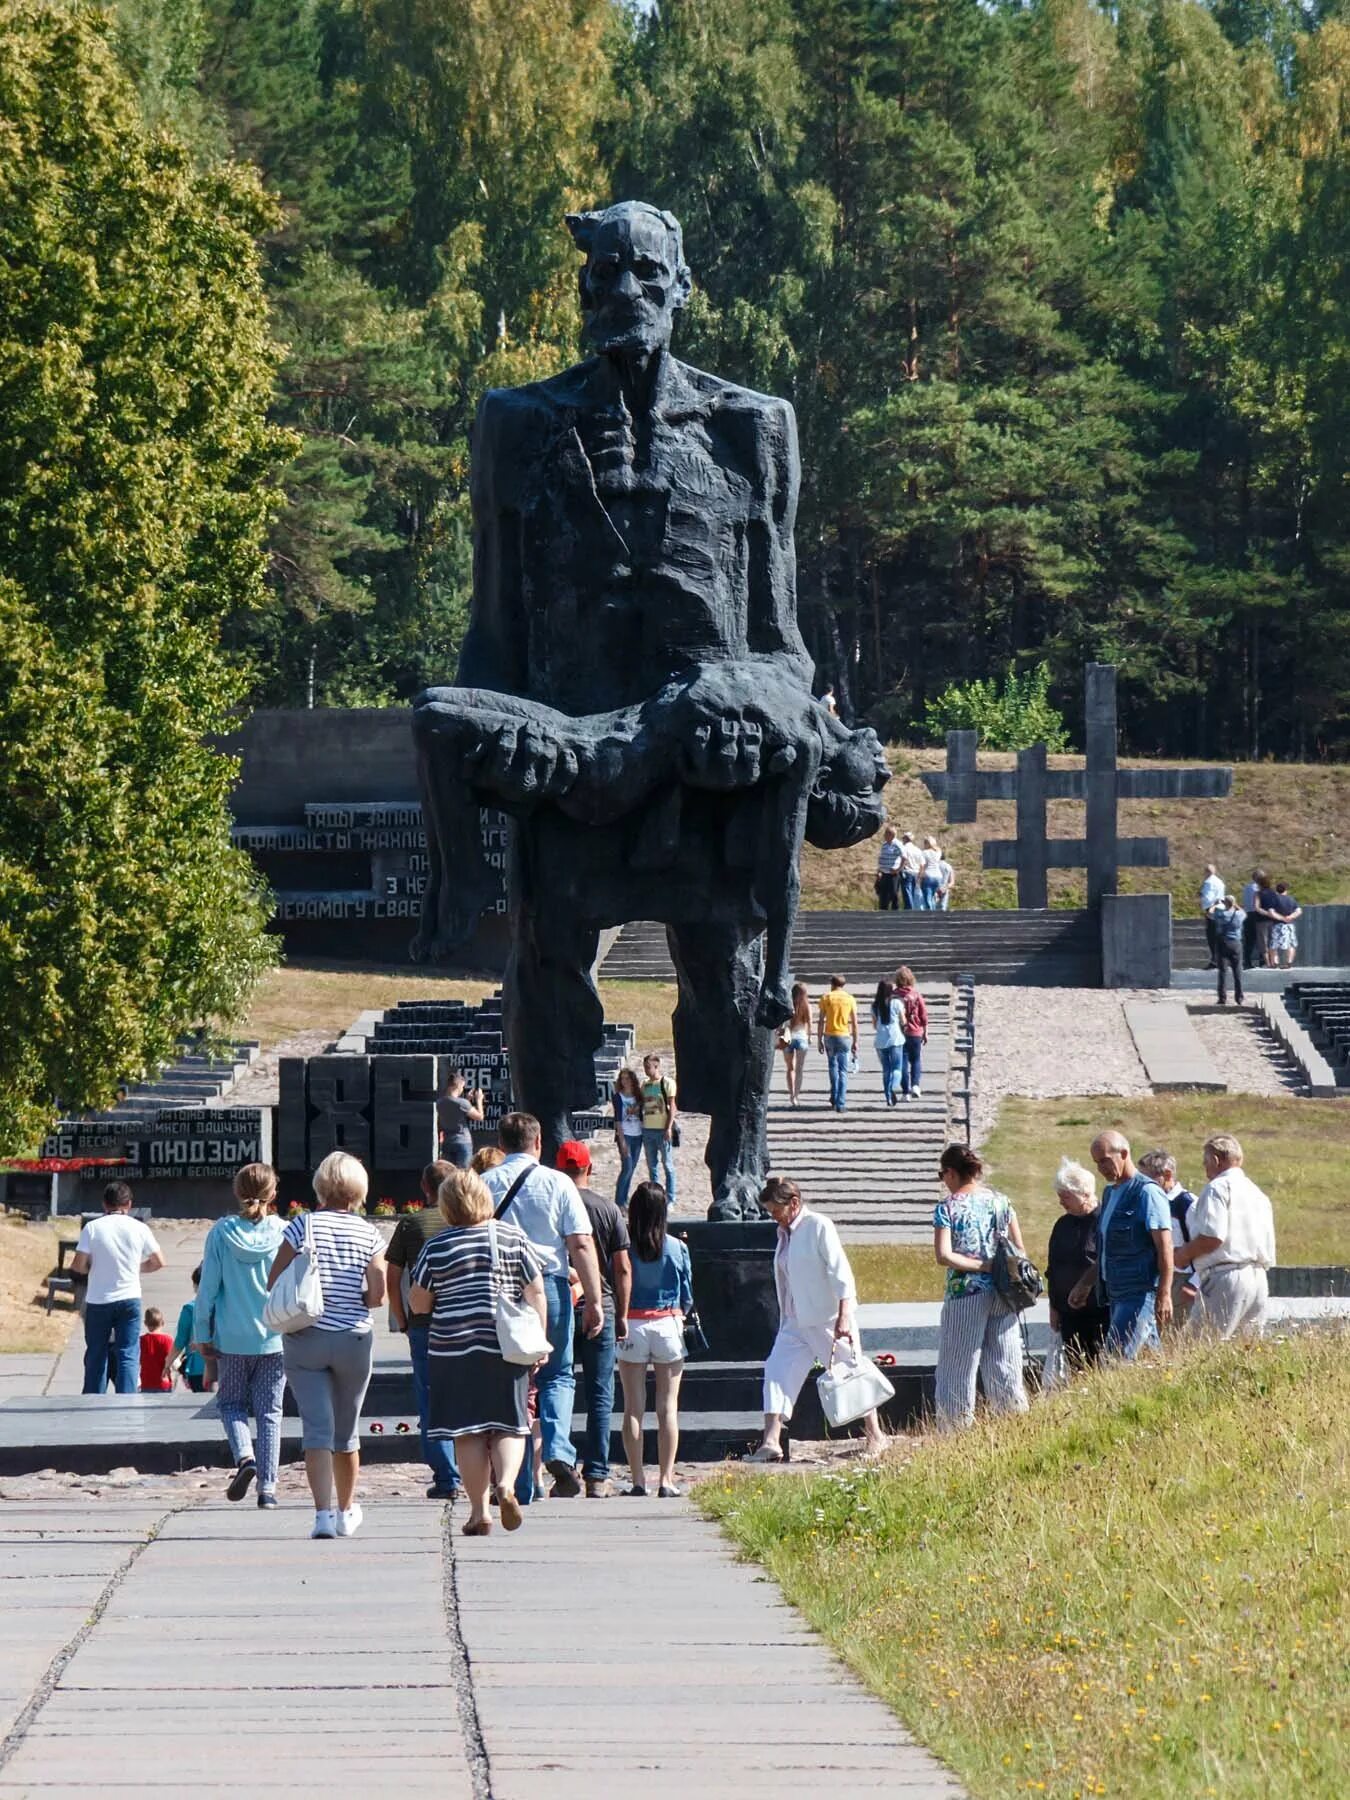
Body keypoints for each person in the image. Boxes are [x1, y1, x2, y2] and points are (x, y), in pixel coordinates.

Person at [408, 1168, 546, 1536]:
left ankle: (479, 1511)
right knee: (510, 1424)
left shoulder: (437, 1246)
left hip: (453, 1349)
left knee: (466, 1431)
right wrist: (540, 1339)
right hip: (506, 1345)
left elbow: (419, 1303)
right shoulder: (513, 1236)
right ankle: (506, 1486)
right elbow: (535, 1292)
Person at [478, 1112, 603, 1502]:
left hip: (496, 1285)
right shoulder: (558, 1183)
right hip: (549, 1284)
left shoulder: (482, 1183)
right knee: (557, 1374)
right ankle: (557, 1449)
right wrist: (595, 1299)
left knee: (505, 1377)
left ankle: (515, 1479)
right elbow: (580, 1243)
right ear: (538, 1143)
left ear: (501, 1145)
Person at [267, 1152, 386, 1540]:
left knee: (316, 1429)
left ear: (320, 1186)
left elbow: (275, 1279)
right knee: (347, 1432)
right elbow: (378, 1291)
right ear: (358, 1190)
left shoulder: (303, 1225)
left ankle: (320, 1516)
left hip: (306, 1335)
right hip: (353, 1338)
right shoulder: (369, 1233)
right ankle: (346, 1511)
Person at [749, 1176, 885, 1460]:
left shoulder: (818, 1226)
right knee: (777, 1371)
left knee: (851, 1372)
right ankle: (771, 1441)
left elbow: (841, 1273)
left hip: (827, 1317)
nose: (773, 1217)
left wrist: (845, 1315)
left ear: (794, 1203)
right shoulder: (784, 1233)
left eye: (776, 1210)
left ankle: (876, 1436)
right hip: (795, 1320)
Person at [196, 1162, 288, 1508]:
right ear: (273, 1193)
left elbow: (207, 1289)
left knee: (231, 1403)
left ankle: (245, 1457)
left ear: (236, 1192)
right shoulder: (284, 1231)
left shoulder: (221, 1233)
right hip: (275, 1336)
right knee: (270, 1412)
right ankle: (269, 1488)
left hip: (232, 1338)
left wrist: (202, 1334)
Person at [931, 1145, 1030, 1429]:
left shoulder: (947, 1207)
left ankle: (955, 1428)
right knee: (1005, 1359)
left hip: (966, 1292)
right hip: (1004, 1291)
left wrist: (981, 1266)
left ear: (951, 1173)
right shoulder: (1001, 1202)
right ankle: (1014, 1422)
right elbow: (1019, 1249)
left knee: (957, 1364)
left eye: (942, 1174)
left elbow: (944, 1256)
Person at [556, 1140, 633, 1498]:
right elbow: (622, 1268)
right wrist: (623, 1311)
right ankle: (597, 1474)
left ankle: (559, 1459)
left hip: (560, 1303)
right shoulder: (608, 1209)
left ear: (558, 1169)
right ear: (590, 1169)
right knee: (600, 1393)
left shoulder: (554, 1206)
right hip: (601, 1303)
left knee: (556, 1383)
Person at [385, 1160, 462, 1501]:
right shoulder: (464, 1222)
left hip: (423, 1323)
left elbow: (393, 1275)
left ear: (425, 1187)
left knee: (431, 1401)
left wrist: (400, 1317)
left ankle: (447, 1478)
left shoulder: (411, 1224)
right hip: (466, 1322)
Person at [616, 1180, 693, 1495]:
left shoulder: (625, 1248)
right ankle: (666, 1479)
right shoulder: (677, 1246)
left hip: (632, 1324)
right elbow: (687, 1294)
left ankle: (637, 1480)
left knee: (633, 1407)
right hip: (668, 1323)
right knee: (667, 1408)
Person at [1070, 1131, 1173, 1359]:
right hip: (1114, 1295)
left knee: (1115, 1361)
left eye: (1105, 1160)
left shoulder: (1147, 1193)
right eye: (1097, 1163)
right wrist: (1085, 1283)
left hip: (1139, 1294)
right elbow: (1107, 1251)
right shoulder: (1109, 1194)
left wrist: (1164, 1294)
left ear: (1124, 1153)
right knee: (1149, 1364)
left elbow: (1165, 1248)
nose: (1101, 1168)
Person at [1173, 1134, 1275, 1340]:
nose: (1205, 1169)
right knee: (1245, 1350)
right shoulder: (1257, 1193)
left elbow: (1212, 1237)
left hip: (1226, 1276)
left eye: (1205, 1162)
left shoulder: (1217, 1188)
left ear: (1216, 1160)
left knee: (1199, 1349)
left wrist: (1182, 1254)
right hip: (1258, 1278)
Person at [71, 1182, 165, 1395]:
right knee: (128, 1353)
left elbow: (78, 1264)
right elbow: (159, 1261)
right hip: (129, 1298)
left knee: (97, 1353)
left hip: (98, 1299)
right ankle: (127, 1399)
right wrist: (136, 1267)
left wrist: (93, 1268)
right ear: (129, 1204)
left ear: (104, 1204)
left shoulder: (92, 1228)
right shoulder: (139, 1228)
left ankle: (93, 1400)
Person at [1045, 1160, 1110, 1370]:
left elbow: (1106, 1260)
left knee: (1104, 1365)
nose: (1061, 1202)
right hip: (1069, 1315)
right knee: (1077, 1368)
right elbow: (1052, 1269)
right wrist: (1054, 1307)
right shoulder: (1062, 1225)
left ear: (1083, 1193)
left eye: (1065, 1196)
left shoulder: (1104, 1221)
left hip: (1101, 1311)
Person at [1137, 1148, 1200, 1331]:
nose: (1143, 1185)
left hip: (1183, 1279)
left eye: (1148, 1179)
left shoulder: (1187, 1204)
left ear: (1167, 1175)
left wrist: (1194, 1283)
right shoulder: (1150, 1202)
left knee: (1176, 1335)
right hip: (1159, 1277)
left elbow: (1206, 1245)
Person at [639, 1053, 678, 1204]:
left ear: (656, 1066)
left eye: (648, 1067)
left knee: (668, 1165)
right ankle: (656, 1197)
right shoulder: (645, 1085)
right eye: (645, 1067)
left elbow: (672, 1106)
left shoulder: (667, 1083)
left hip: (662, 1129)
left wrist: (668, 1127)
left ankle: (670, 1198)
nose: (646, 1070)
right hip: (648, 1129)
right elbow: (641, 1103)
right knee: (652, 1166)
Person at [818, 973, 859, 1112]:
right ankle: (841, 1103)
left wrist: (819, 1040)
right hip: (844, 1036)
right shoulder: (850, 999)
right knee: (843, 1071)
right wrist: (856, 1041)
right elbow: (854, 1023)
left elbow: (821, 1020)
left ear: (832, 984)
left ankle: (834, 1097)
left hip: (829, 1035)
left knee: (832, 1067)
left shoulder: (826, 997)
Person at [436, 1067, 485, 1169]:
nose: (462, 1089)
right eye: (462, 1087)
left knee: (449, 1174)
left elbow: (455, 1109)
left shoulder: (440, 1102)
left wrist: (466, 1099)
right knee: (463, 1173)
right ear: (458, 1085)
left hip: (447, 1142)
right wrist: (479, 1100)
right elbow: (480, 1117)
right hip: (462, 1141)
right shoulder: (462, 1103)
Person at [611, 1066, 645, 1208]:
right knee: (627, 1168)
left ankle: (624, 1198)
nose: (625, 1081)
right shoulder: (618, 1097)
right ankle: (619, 1201)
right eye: (622, 1078)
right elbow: (618, 1119)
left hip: (638, 1134)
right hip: (626, 1135)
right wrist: (622, 1140)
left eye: (627, 1078)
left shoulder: (638, 1096)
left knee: (632, 1169)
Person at [893, 965, 928, 1100]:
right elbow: (923, 1015)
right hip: (915, 1031)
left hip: (898, 1033)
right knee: (916, 1060)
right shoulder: (916, 995)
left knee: (902, 1062)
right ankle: (915, 1085)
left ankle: (905, 1092)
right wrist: (925, 1032)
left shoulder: (892, 996)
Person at [173, 1268, 208, 1393]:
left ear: (195, 1286)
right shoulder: (224, 1306)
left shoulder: (189, 1309)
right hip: (223, 1365)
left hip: (197, 1368)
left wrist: (168, 1362)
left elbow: (180, 1340)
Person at [1207, 893, 1246, 1005]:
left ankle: (1222, 997)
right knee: (1237, 971)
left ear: (1225, 903)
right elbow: (1243, 912)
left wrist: (1214, 904)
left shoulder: (1220, 915)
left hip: (1222, 943)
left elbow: (1209, 914)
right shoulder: (1239, 915)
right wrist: (1236, 905)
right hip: (1236, 943)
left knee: (1223, 972)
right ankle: (1239, 997)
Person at [871, 978, 904, 1107]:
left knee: (886, 1070)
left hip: (880, 1040)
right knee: (897, 1068)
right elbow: (903, 1020)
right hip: (896, 1038)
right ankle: (894, 1086)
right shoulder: (896, 1003)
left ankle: (888, 1097)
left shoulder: (874, 1006)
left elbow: (874, 1026)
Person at [778, 983, 812, 1107]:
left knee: (790, 1068)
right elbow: (810, 1024)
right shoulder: (806, 1006)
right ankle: (795, 1096)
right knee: (799, 1069)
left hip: (788, 1037)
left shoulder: (787, 1005)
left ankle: (791, 1093)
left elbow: (781, 1023)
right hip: (801, 1037)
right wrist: (810, 1037)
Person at [1266, 881, 1301, 969]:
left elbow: (1271, 912)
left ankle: (1275, 963)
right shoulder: (1291, 899)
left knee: (1274, 945)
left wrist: (1281, 918)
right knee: (1291, 944)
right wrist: (1290, 917)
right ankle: (1289, 962)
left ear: (1276, 890)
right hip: (1289, 925)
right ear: (1286, 889)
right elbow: (1299, 911)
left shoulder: (1274, 899)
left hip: (1277, 925)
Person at [139, 1308, 174, 1393]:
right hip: (164, 1382)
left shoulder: (141, 1340)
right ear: (163, 1323)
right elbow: (171, 1360)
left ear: (145, 1323)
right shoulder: (168, 1340)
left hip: (146, 1382)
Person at [1199, 863, 1225, 968]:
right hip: (1220, 909)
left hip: (1212, 910)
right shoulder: (1220, 881)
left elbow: (1208, 898)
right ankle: (1218, 959)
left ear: (1207, 872)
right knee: (1218, 936)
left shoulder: (1208, 882)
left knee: (1211, 936)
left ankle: (1214, 960)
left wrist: (1208, 909)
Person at [1241, 868, 1267, 969]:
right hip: (1257, 914)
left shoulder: (1247, 887)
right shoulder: (1259, 888)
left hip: (1247, 914)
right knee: (1262, 938)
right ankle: (1262, 961)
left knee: (1249, 940)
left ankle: (1247, 961)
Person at [875, 824, 903, 910]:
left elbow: (904, 858)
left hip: (893, 873)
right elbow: (882, 858)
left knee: (893, 893)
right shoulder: (884, 845)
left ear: (891, 835)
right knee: (883, 894)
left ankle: (895, 911)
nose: (884, 836)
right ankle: (883, 911)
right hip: (884, 872)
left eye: (886, 834)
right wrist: (879, 871)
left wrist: (898, 869)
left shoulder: (898, 844)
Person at [898, 832, 923, 911]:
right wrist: (920, 875)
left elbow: (903, 859)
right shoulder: (918, 850)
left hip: (907, 872)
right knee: (913, 894)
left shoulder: (904, 848)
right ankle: (914, 910)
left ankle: (909, 911)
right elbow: (922, 864)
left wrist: (899, 869)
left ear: (905, 839)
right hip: (916, 873)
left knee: (907, 893)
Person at [919, 836, 943, 910]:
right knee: (933, 897)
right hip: (938, 876)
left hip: (928, 875)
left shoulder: (924, 852)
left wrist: (920, 877)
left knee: (927, 898)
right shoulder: (938, 852)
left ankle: (929, 913)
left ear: (926, 843)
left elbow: (922, 865)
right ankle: (934, 913)